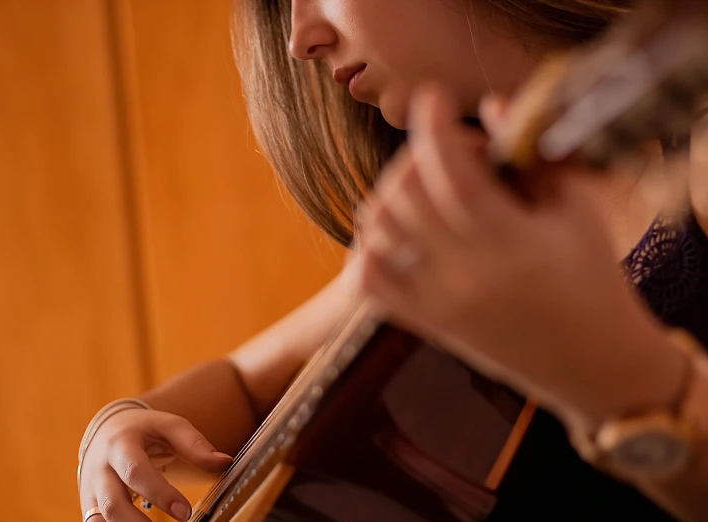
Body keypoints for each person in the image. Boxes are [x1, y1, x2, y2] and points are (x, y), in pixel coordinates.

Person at [77, 1, 708, 520]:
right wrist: (112, 430)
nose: (299, 39)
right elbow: (244, 380)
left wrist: (621, 380)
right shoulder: (454, 222)